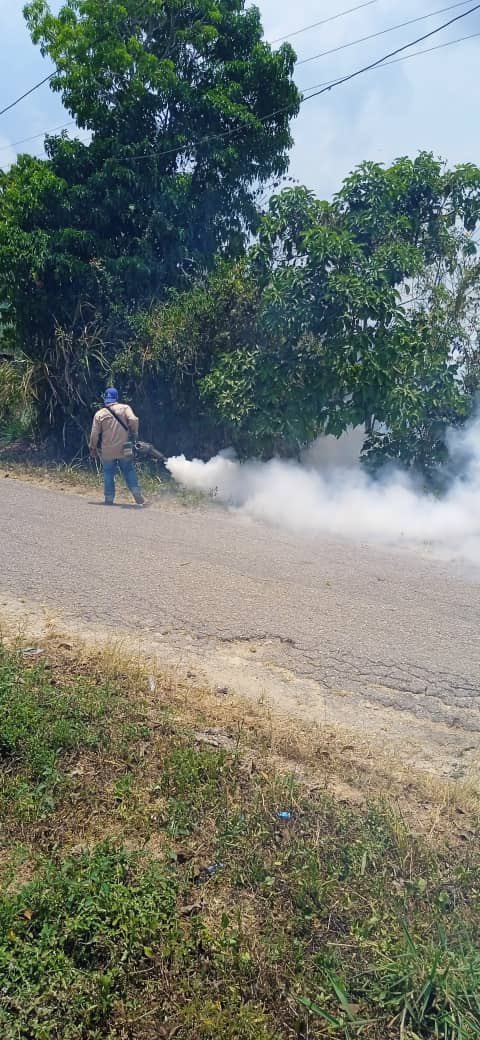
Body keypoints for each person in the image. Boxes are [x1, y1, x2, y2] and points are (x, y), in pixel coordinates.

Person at [89, 388, 146, 506]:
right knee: (128, 469)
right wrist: (134, 433)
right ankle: (136, 493)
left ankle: (109, 498)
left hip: (107, 449)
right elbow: (133, 419)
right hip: (125, 446)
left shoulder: (99, 414)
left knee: (108, 472)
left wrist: (92, 448)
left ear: (105, 398)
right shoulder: (125, 408)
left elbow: (94, 434)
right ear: (116, 397)